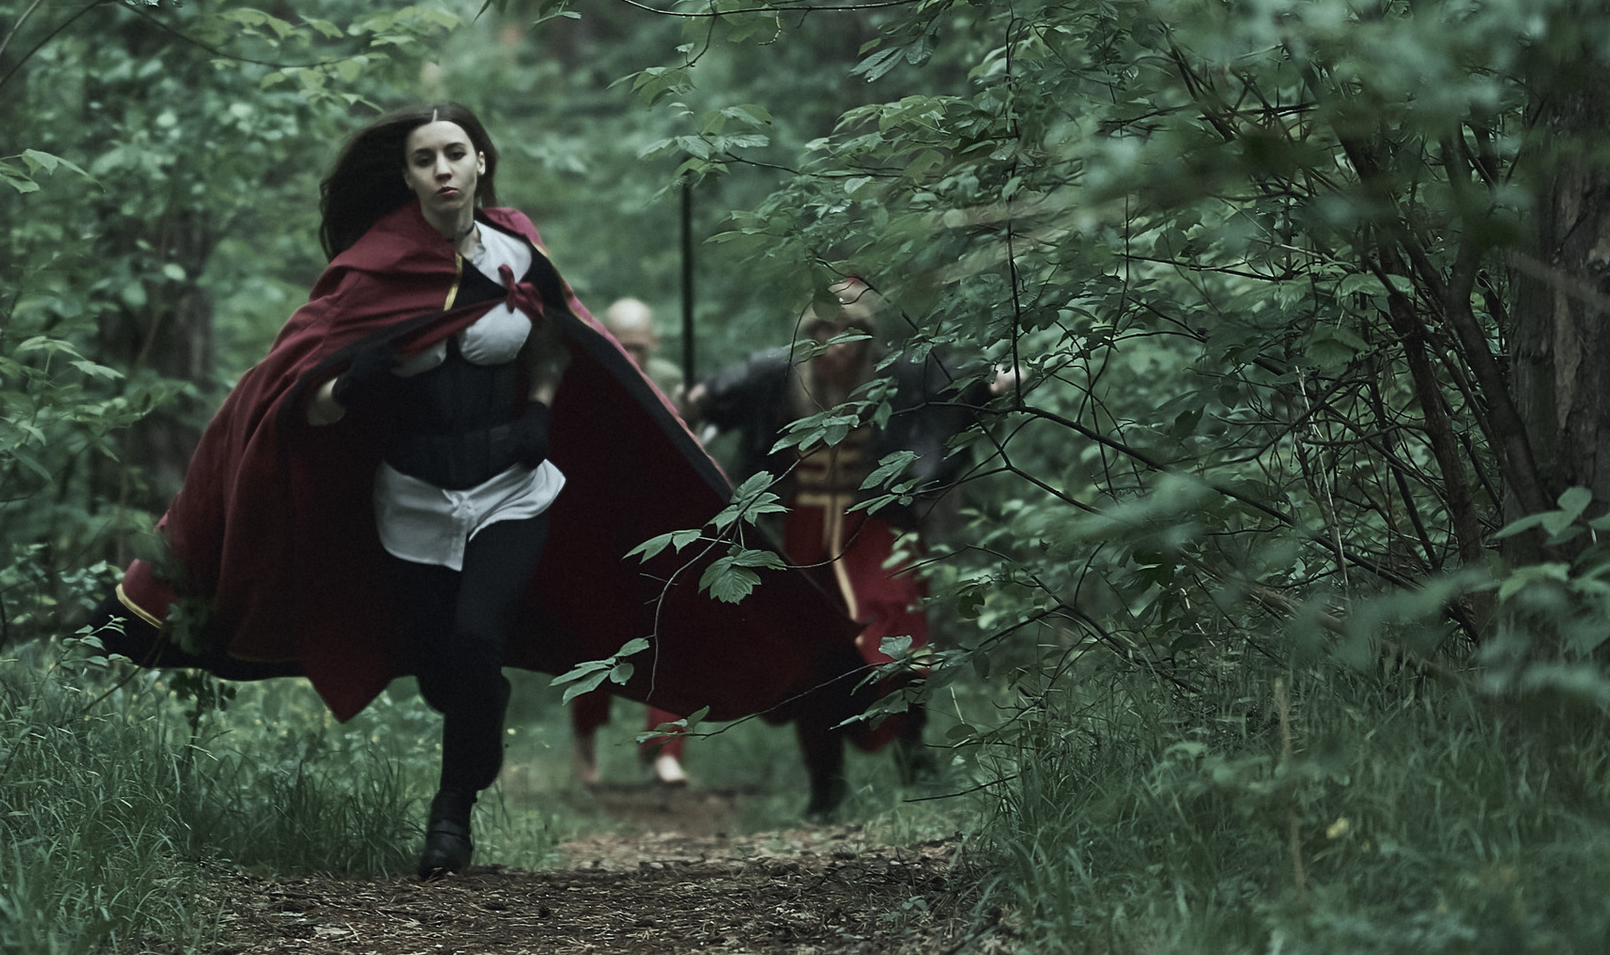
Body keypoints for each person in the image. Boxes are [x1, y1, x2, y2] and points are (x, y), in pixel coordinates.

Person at [102, 106, 849, 878]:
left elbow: (561, 338)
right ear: (408, 175)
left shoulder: (517, 256)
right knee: (442, 668)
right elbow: (299, 395)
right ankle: (475, 712)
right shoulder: (372, 270)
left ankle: (450, 815)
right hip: (413, 501)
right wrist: (347, 388)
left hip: (512, 490)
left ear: (480, 162)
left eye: (456, 153)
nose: (443, 169)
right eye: (426, 159)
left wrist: (540, 410)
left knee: (474, 637)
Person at [689, 280, 1017, 822]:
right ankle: (826, 786)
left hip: (877, 526)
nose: (834, 344)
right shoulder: (781, 375)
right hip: (806, 532)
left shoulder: (899, 376)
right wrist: (700, 398)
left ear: (866, 338)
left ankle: (914, 753)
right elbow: (728, 388)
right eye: (823, 331)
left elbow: (953, 389)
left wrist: (991, 386)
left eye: (847, 332)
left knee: (897, 632)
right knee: (813, 655)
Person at [567, 298, 692, 792]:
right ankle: (585, 744)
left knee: (673, 633)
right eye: (623, 346)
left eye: (640, 347)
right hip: (602, 529)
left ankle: (665, 749)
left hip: (662, 526)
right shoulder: (587, 379)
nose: (633, 357)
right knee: (595, 640)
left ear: (653, 344)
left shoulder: (671, 380)